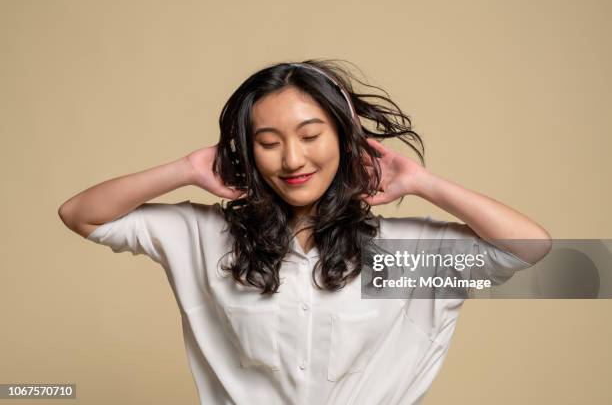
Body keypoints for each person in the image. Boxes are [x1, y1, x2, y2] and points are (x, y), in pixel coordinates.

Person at [58, 59, 552, 404]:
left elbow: (534, 248)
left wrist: (422, 183)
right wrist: (187, 168)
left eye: (311, 136)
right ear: (248, 152)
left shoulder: (401, 255)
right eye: (268, 143)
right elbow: (81, 214)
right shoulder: (203, 235)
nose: (293, 159)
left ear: (343, 137)